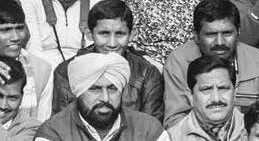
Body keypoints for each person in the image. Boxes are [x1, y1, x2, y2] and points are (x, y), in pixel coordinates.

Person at [163, 0, 259, 127]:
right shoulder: (179, 61)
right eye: (210, 34)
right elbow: (175, 121)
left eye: (227, 33)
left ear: (238, 32)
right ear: (196, 36)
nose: (219, 42)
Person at [49, 0, 164, 119]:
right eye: (104, 34)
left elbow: (151, 125)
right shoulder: (66, 71)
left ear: (131, 35)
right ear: (89, 33)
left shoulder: (146, 72)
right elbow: (61, 123)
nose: (112, 43)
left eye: (120, 34)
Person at [34, 52, 163, 141]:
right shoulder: (52, 133)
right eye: (95, 89)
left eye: (112, 89)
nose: (105, 98)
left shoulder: (150, 130)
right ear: (78, 92)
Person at [160, 55, 245, 141]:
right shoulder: (171, 138)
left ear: (235, 92)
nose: (216, 98)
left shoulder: (255, 129)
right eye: (206, 89)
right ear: (190, 95)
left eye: (223, 88)